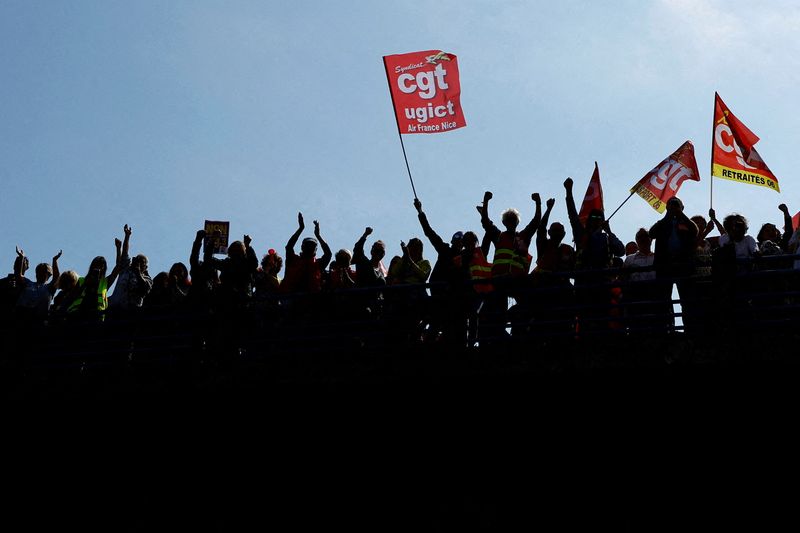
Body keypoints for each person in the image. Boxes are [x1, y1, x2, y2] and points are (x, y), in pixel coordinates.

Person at [282, 213, 332, 295]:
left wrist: (318, 236)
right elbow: (289, 247)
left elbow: (328, 254)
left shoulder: (318, 264)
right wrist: (300, 228)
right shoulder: (293, 260)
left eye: (312, 246)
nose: (309, 247)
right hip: (291, 299)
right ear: (302, 247)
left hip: (310, 301)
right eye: (307, 245)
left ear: (316, 250)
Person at [108, 225, 153, 313]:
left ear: (146, 267)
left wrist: (138, 273)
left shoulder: (147, 279)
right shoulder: (126, 269)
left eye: (142, 262)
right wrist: (127, 236)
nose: (139, 263)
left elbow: (145, 289)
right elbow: (125, 252)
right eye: (137, 260)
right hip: (113, 311)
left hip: (131, 314)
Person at [15, 249, 62, 321]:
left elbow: (56, 277)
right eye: (39, 271)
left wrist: (54, 260)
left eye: (44, 271)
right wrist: (21, 257)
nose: (40, 273)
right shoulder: (28, 283)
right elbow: (19, 276)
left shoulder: (49, 288)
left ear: (48, 274)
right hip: (22, 317)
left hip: (38, 321)